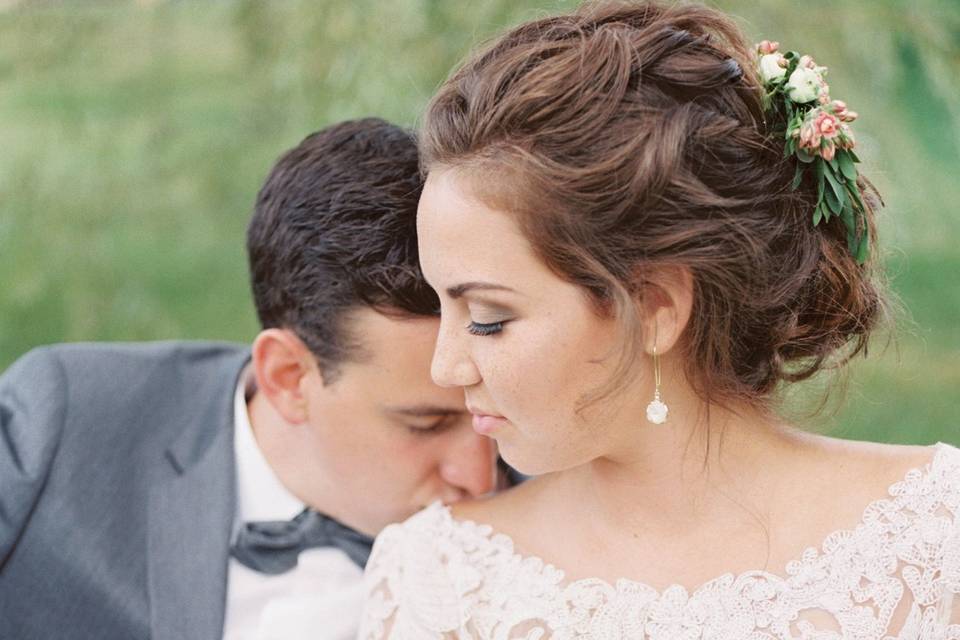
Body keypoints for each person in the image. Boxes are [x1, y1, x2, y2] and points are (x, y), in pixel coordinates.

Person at [358, 3, 960, 638]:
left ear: (654, 309)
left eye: (487, 318)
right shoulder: (436, 582)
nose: (444, 366)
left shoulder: (936, 540)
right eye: (441, 305)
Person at [0, 118, 499, 640]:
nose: (482, 475)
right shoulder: (63, 423)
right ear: (288, 378)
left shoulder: (555, 516)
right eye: (426, 423)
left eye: (489, 408)